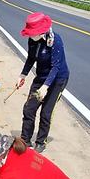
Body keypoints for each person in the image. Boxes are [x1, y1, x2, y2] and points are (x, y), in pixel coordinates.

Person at [14, 12, 70, 153]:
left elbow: (56, 66)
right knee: (29, 109)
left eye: (33, 33)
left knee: (46, 112)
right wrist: (22, 75)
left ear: (42, 31)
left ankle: (41, 142)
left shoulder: (55, 40)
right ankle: (25, 140)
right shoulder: (33, 40)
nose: (31, 36)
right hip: (41, 77)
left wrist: (45, 87)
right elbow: (31, 58)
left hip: (57, 79)